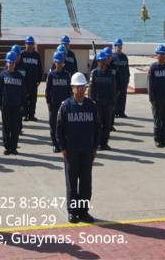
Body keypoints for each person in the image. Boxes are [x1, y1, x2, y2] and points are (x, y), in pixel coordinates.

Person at [56, 72, 100, 224]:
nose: (80, 90)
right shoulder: (66, 106)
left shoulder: (91, 106)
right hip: (71, 151)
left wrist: (95, 148)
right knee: (72, 184)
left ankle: (84, 211)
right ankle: (73, 212)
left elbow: (97, 128)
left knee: (86, 183)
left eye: (83, 87)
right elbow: (59, 129)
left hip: (87, 151)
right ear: (72, 88)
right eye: (77, 87)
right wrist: (62, 148)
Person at [0, 51, 26, 155]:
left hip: (17, 107)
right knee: (6, 127)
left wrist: (22, 105)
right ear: (6, 62)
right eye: (9, 62)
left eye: (13, 62)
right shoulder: (2, 76)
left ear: (15, 63)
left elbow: (23, 92)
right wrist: (0, 104)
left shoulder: (19, 76)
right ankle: (7, 147)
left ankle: (13, 147)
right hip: (6, 106)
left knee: (15, 128)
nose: (11, 64)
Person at [89, 51, 116, 150]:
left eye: (104, 61)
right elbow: (91, 90)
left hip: (108, 103)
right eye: (100, 61)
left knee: (107, 124)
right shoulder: (94, 73)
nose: (102, 63)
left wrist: (113, 102)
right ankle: (98, 143)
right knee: (98, 125)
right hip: (97, 103)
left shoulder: (111, 73)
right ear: (98, 62)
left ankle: (104, 143)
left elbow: (113, 88)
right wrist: (92, 102)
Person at [45, 52, 71, 152]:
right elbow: (47, 90)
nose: (59, 64)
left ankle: (63, 144)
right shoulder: (51, 75)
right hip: (53, 104)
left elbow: (70, 90)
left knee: (64, 125)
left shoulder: (67, 75)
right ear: (54, 62)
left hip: (64, 105)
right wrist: (48, 103)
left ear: (63, 62)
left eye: (61, 62)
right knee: (53, 125)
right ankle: (55, 144)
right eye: (57, 62)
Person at [19, 36, 43, 122]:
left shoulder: (36, 55)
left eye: (31, 44)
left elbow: (40, 68)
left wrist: (39, 79)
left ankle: (31, 115)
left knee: (33, 99)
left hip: (33, 82)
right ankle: (25, 115)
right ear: (25, 44)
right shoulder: (22, 54)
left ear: (33, 45)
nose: (29, 45)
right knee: (24, 99)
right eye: (28, 44)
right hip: (24, 82)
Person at [112, 39, 130, 119]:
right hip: (115, 80)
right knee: (115, 96)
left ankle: (121, 112)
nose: (119, 47)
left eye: (120, 45)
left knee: (123, 96)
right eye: (117, 45)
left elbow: (127, 68)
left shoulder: (124, 57)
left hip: (123, 80)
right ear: (114, 46)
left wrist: (128, 78)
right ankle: (115, 112)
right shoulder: (112, 57)